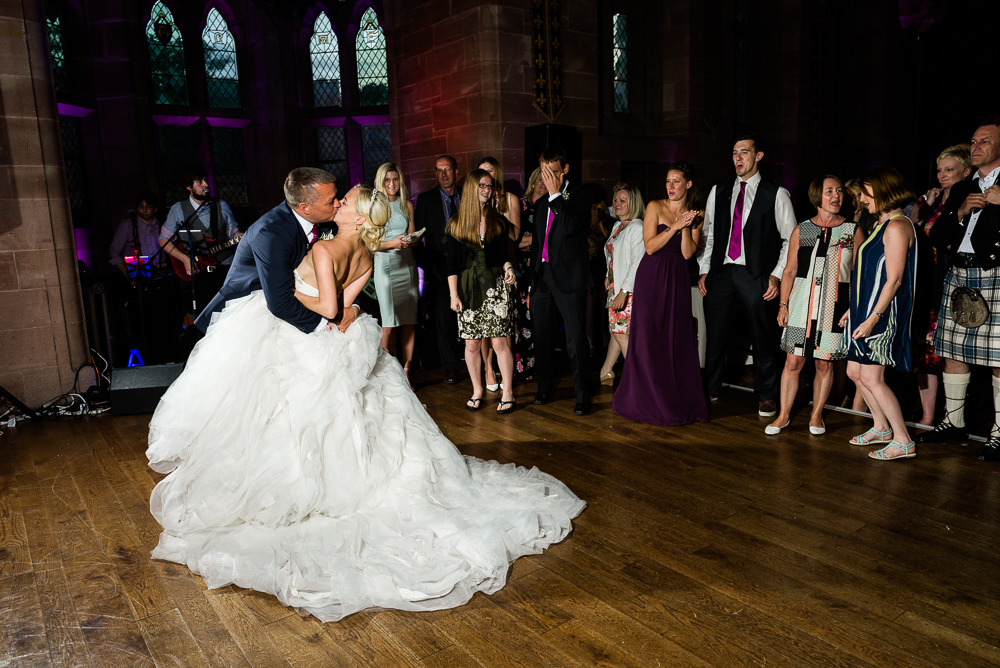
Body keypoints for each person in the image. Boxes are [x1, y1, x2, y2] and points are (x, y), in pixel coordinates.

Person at [146, 177, 585, 623]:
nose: (339, 202)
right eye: (333, 198)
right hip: (332, 335)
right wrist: (346, 311)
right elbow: (345, 306)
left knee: (289, 417)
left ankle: (309, 489)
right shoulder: (363, 253)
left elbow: (321, 307)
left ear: (355, 217)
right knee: (352, 417)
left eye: (345, 201)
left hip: (306, 336)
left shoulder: (322, 248)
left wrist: (306, 300)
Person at [698, 135, 797, 417]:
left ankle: (767, 395)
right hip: (721, 272)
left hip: (756, 275)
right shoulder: (718, 191)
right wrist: (705, 269)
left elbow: (791, 240)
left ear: (758, 156)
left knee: (764, 336)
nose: (738, 158)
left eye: (744, 152)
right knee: (714, 335)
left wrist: (776, 276)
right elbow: (709, 234)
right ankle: (711, 388)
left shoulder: (775, 193)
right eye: (734, 153)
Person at [922, 118, 1000, 461]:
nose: (976, 146)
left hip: (995, 274)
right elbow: (937, 237)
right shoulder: (964, 186)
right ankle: (953, 422)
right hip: (960, 274)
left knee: (999, 358)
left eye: (985, 141)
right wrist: (960, 213)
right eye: (974, 141)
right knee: (954, 351)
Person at [614, 162, 709, 425]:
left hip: (676, 278)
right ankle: (644, 399)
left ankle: (670, 396)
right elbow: (650, 247)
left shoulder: (697, 214)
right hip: (651, 277)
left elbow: (688, 254)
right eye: (668, 181)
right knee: (647, 336)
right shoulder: (655, 206)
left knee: (673, 337)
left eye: (676, 181)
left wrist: (687, 224)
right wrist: (675, 226)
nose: (670, 187)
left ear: (688, 184)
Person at [766, 176, 860, 435]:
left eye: (839, 191)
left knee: (824, 363)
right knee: (793, 361)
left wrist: (854, 307)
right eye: (829, 191)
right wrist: (783, 305)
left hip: (835, 305)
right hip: (800, 303)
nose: (836, 196)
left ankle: (817, 416)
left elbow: (859, 274)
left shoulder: (853, 231)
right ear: (818, 196)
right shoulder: (802, 229)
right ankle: (783, 415)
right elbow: (790, 270)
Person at [840, 167, 918, 460]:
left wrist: (873, 316)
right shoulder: (880, 225)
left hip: (883, 314)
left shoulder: (898, 226)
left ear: (884, 190)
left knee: (873, 378)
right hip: (865, 310)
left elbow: (895, 279)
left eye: (866, 192)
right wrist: (854, 309)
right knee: (854, 372)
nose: (860, 198)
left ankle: (903, 440)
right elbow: (871, 275)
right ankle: (881, 427)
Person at [529, 147, 599, 415]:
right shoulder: (539, 203)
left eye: (553, 172)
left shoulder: (580, 195)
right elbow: (537, 246)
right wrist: (532, 284)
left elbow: (571, 227)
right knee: (542, 337)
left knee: (575, 339)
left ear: (565, 170)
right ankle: (544, 388)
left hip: (569, 278)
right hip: (542, 278)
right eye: (543, 171)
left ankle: (583, 396)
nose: (547, 177)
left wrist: (557, 195)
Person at [908, 146, 971, 425]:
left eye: (949, 170)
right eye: (939, 170)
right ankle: (928, 414)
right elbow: (909, 229)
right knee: (924, 353)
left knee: (949, 354)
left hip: (950, 281)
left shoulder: (967, 201)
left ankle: (954, 416)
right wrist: (924, 207)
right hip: (924, 283)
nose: (942, 175)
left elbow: (950, 242)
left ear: (966, 172)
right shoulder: (930, 200)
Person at [446, 169, 518, 414]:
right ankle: (477, 389)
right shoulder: (456, 223)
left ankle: (507, 391)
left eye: (490, 186)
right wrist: (453, 295)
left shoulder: (499, 221)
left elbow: (503, 256)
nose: (487, 190)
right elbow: (452, 265)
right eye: (482, 186)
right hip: (467, 289)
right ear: (471, 189)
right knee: (472, 344)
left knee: (499, 342)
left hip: (495, 286)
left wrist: (510, 269)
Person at [159, 164, 241, 317]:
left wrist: (242, 236)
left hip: (226, 270)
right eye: (200, 182)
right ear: (188, 186)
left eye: (205, 180)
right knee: (206, 318)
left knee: (231, 316)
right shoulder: (178, 209)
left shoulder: (221, 205)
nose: (206, 185)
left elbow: (234, 233)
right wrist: (184, 258)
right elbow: (163, 239)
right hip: (200, 274)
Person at [415, 155, 463, 384]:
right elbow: (417, 240)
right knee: (444, 321)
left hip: (468, 266)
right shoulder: (425, 200)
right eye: (439, 170)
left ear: (456, 171)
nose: (444, 174)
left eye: (448, 169)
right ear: (435, 173)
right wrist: (430, 267)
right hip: (440, 270)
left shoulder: (468, 195)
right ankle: (451, 367)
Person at [476, 157, 522, 392]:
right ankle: (487, 368)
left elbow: (514, 235)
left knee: (503, 323)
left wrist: (496, 215)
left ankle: (507, 375)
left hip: (505, 261)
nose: (487, 176)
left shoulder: (509, 199)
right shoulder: (474, 202)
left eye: (490, 171)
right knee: (483, 324)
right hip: (482, 267)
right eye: (482, 172)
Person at [373, 162, 419, 387]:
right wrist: (393, 243)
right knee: (389, 323)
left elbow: (412, 234)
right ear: (381, 182)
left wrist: (413, 240)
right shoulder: (373, 207)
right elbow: (369, 244)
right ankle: (385, 373)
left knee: (409, 321)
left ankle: (407, 370)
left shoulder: (407, 205)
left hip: (407, 265)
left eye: (395, 179)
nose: (392, 184)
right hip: (385, 267)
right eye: (387, 180)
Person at [597, 183, 645, 386]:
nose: (616, 204)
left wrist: (624, 291)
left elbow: (637, 262)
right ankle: (606, 372)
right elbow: (611, 254)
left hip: (627, 289)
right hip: (614, 287)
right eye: (615, 200)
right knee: (615, 331)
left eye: (622, 201)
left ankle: (638, 378)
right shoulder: (618, 226)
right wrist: (608, 274)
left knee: (620, 333)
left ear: (632, 204)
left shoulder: (637, 227)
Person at [514, 167, 546, 380]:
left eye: (548, 180)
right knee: (521, 319)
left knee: (540, 320)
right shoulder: (521, 206)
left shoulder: (552, 206)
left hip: (542, 268)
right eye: (540, 180)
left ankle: (538, 368)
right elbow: (514, 240)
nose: (543, 184)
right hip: (521, 269)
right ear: (533, 181)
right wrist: (541, 239)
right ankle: (520, 368)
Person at [109, 190, 167, 285]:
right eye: (141, 207)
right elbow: (114, 253)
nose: (144, 211)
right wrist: (128, 276)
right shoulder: (127, 225)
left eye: (148, 207)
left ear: (155, 209)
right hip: (139, 276)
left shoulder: (162, 225)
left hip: (162, 274)